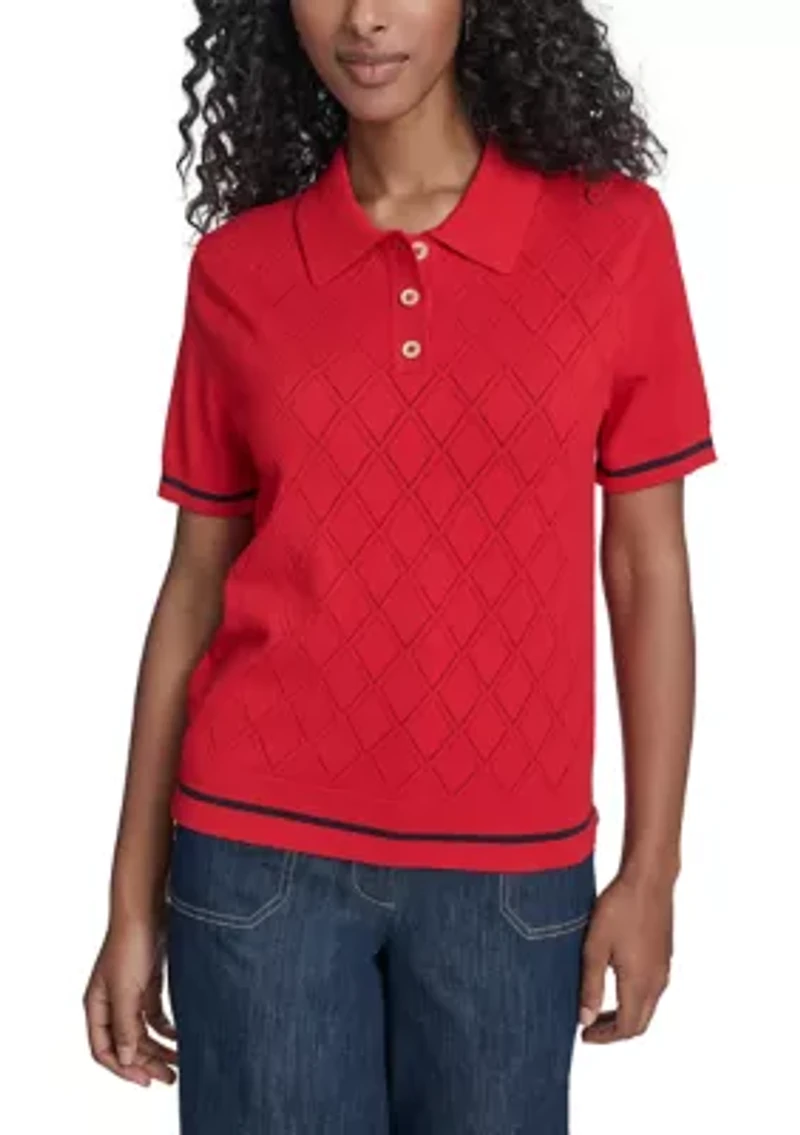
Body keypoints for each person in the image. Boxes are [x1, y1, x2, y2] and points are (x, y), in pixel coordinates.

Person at [83, 1, 717, 1131]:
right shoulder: (239, 268)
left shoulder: (613, 236)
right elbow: (193, 589)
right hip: (257, 861)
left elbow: (646, 566)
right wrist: (131, 899)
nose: (365, 19)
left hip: (512, 875)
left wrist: (652, 865)